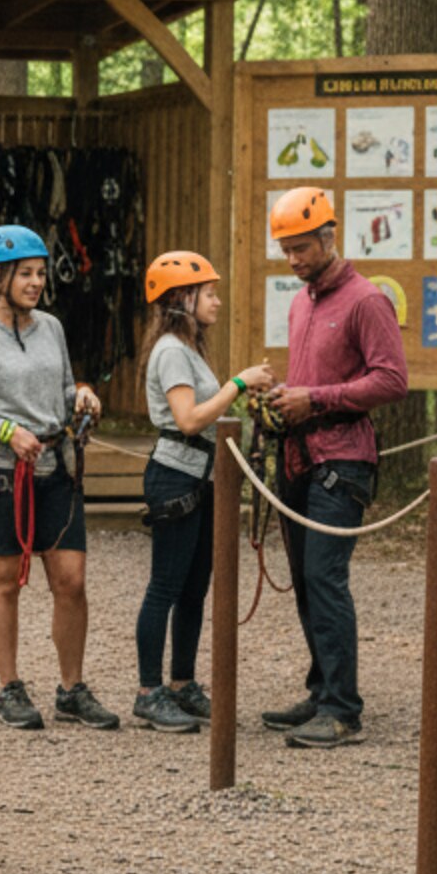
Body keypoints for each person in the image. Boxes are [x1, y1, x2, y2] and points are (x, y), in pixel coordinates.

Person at [0, 224, 118, 732]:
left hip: (55, 467)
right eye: (26, 274)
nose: (36, 282)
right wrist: (6, 429)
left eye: (40, 273)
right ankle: (9, 687)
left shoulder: (52, 328)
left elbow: (60, 387)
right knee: (6, 582)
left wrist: (80, 395)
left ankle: (71, 689)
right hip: (0, 473)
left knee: (71, 580)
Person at [262, 186, 408, 749]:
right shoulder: (303, 300)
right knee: (304, 579)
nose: (294, 260)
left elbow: (392, 380)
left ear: (330, 236)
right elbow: (314, 378)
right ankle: (323, 689)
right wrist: (282, 398)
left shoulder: (366, 300)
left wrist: (314, 399)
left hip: (343, 460)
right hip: (299, 455)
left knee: (325, 577)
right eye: (287, 250)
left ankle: (343, 710)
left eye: (302, 248)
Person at [133, 252, 273, 732]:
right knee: (167, 586)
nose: (217, 300)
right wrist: (238, 383)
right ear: (182, 298)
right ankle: (149, 692)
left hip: (199, 476)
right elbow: (189, 418)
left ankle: (181, 683)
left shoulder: (188, 349)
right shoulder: (172, 351)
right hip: (176, 477)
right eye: (209, 292)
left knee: (193, 589)